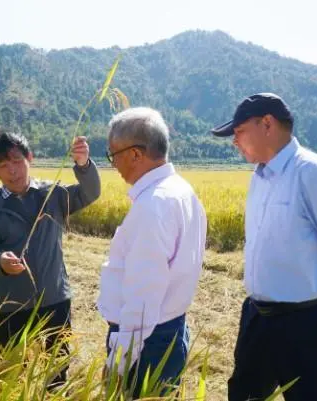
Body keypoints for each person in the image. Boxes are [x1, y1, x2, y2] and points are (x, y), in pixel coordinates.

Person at [210, 92, 317, 401]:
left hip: (304, 321)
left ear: (267, 123)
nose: (234, 142)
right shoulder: (260, 177)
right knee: (244, 395)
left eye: (238, 132)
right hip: (257, 316)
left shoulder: (313, 173)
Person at [0, 131, 101, 388]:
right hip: (13, 304)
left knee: (57, 370)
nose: (13, 171)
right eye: (3, 165)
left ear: (29, 158)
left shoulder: (51, 194)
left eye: (17, 161)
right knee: (12, 373)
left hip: (55, 298)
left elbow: (89, 193)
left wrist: (84, 164)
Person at [97, 107, 207, 399]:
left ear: (135, 154)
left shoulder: (153, 205)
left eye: (113, 154)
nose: (113, 164)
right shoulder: (182, 191)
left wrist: (119, 361)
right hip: (168, 330)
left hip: (147, 342)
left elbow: (143, 295)